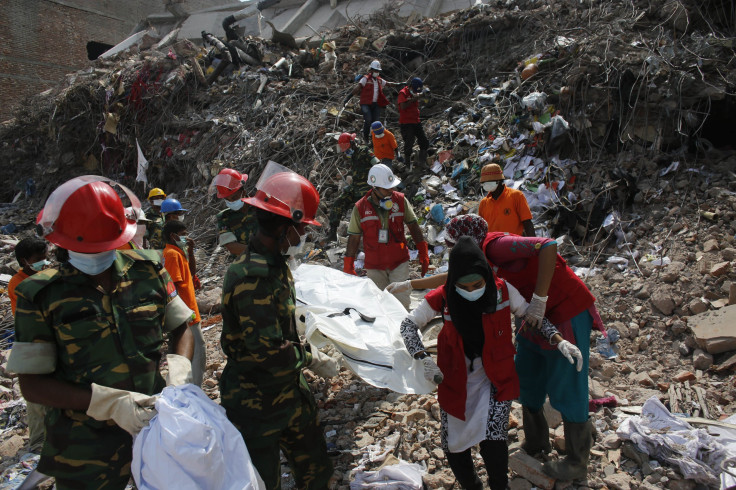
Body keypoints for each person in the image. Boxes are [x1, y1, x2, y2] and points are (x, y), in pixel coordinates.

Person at [7, 176, 194, 490]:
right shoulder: (40, 295)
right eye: (87, 248)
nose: (97, 256)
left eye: (103, 246)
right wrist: (107, 402)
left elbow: (180, 326)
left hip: (153, 431)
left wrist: (180, 371)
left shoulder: (148, 270)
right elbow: (33, 385)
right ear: (63, 241)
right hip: (84, 451)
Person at [388, 214, 603, 481]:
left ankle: (573, 461)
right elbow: (447, 285)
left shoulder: (499, 281)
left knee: (560, 390)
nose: (471, 290)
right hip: (458, 375)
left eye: (478, 284)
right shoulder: (453, 291)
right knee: (522, 383)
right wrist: (422, 354)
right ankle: (534, 444)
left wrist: (555, 333)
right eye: (463, 285)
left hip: (534, 335)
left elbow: (546, 249)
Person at [220, 167, 333, 489]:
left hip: (290, 392)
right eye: (302, 230)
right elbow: (267, 352)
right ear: (286, 228)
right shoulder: (252, 277)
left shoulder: (274, 264)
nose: (304, 237)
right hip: (255, 402)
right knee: (261, 481)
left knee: (317, 472)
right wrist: (310, 358)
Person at [343, 164, 429, 309]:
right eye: (386, 188)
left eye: (392, 187)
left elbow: (413, 226)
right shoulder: (360, 208)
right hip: (374, 266)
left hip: (399, 262)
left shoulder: (400, 201)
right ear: (374, 188)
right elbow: (354, 238)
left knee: (401, 305)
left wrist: (423, 251)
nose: (391, 190)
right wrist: (348, 263)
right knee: (380, 306)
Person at [8, 236, 50, 453]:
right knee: (36, 398)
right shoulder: (18, 283)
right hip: (32, 343)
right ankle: (37, 442)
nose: (45, 262)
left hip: (51, 340)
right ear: (25, 261)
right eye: (39, 259)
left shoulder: (46, 274)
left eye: (46, 257)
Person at [162, 220, 205, 386]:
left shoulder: (178, 252)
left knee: (194, 354)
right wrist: (183, 315)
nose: (186, 237)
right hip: (187, 315)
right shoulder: (172, 254)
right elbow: (172, 287)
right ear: (173, 236)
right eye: (183, 234)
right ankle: (193, 392)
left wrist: (191, 252)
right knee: (196, 354)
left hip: (189, 312)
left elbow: (191, 273)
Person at [327, 132, 379, 240]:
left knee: (365, 206)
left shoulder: (364, 151)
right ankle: (332, 232)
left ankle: (370, 232)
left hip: (366, 186)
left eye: (347, 147)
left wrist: (377, 182)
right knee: (339, 202)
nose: (346, 151)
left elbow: (377, 164)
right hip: (355, 187)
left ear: (352, 143)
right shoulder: (352, 157)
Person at [477, 163, 535, 237]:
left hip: (514, 244)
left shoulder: (516, 196)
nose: (485, 185)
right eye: (483, 183)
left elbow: (527, 222)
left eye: (488, 183)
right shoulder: (484, 203)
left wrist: (534, 244)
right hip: (493, 245)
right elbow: (482, 229)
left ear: (499, 181)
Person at [210, 168, 258, 256]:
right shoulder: (224, 217)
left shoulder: (260, 207)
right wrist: (259, 253)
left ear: (243, 192)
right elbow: (232, 247)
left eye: (234, 197)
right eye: (227, 199)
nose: (231, 202)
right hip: (244, 264)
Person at [352, 60, 389, 141]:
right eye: (375, 70)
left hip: (376, 104)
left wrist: (400, 84)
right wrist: (349, 97)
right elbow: (358, 88)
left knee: (376, 122)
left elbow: (388, 83)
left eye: (378, 71)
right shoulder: (365, 79)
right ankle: (366, 137)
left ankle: (374, 139)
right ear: (371, 70)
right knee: (368, 120)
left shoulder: (379, 80)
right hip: (365, 103)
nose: (376, 72)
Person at [397, 77, 429, 167]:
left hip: (416, 121)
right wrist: (414, 99)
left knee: (424, 141)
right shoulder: (403, 93)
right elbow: (403, 106)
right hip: (406, 123)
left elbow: (425, 99)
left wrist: (423, 95)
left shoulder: (416, 93)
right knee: (409, 144)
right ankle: (407, 165)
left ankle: (422, 162)